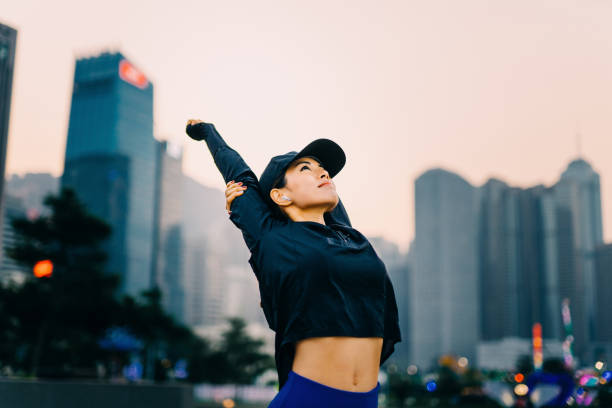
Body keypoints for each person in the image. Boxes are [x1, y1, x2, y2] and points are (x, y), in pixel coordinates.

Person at [185, 119, 401, 408]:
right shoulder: (273, 237)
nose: (323, 172)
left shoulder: (350, 237)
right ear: (280, 194)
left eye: (323, 169)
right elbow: (237, 171)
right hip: (308, 398)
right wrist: (207, 131)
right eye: (305, 168)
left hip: (366, 400)